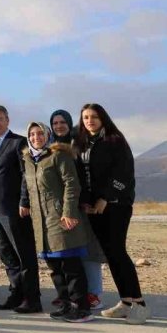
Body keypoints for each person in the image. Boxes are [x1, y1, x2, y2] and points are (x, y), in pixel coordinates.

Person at [76, 104, 148, 325]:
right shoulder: (84, 143)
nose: (90, 121)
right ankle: (125, 302)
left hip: (116, 205)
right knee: (110, 254)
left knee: (118, 251)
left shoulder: (115, 140)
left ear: (103, 118)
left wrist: (105, 197)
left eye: (94, 117)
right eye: (86, 117)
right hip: (95, 208)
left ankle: (140, 304)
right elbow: (85, 176)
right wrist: (87, 202)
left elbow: (124, 173)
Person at [22, 122, 93, 323]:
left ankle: (82, 308)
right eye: (32, 134)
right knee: (54, 267)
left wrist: (68, 212)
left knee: (70, 265)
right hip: (41, 222)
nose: (36, 137)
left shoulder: (59, 155)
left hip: (61, 218)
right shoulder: (28, 160)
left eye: (40, 134)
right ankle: (66, 304)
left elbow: (72, 184)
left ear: (48, 135)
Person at [0, 105, 41, 313]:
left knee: (24, 254)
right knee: (7, 255)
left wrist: (24, 201)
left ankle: (32, 299)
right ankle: (16, 294)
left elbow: (27, 175)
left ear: (7, 120)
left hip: (15, 209)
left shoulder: (18, 142)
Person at [50, 108, 104, 310]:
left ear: (70, 123)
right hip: (60, 208)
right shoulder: (51, 147)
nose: (59, 126)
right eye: (55, 123)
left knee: (88, 250)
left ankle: (94, 294)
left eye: (62, 122)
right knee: (68, 252)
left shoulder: (80, 144)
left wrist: (89, 200)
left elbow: (85, 176)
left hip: (83, 204)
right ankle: (69, 293)